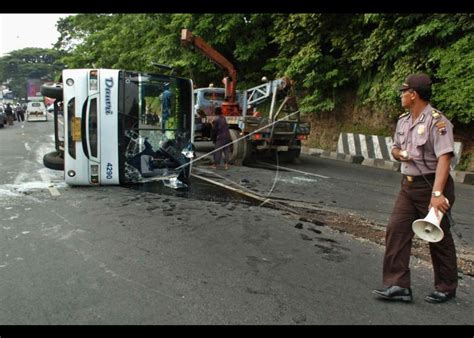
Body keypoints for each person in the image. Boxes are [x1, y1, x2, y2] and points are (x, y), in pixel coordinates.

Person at [373, 73, 458, 304]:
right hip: (408, 187)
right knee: (396, 229)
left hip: (432, 186)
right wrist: (400, 154)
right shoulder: (403, 120)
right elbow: (395, 149)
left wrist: (437, 194)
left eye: (404, 91)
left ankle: (446, 286)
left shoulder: (437, 121)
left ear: (414, 94)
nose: (401, 95)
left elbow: (445, 158)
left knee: (438, 237)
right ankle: (398, 285)